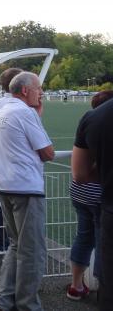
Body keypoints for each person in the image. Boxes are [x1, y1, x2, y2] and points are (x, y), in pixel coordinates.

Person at [0, 71, 54, 311]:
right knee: (33, 251)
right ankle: (28, 305)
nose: (42, 93)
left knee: (16, 246)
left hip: (5, 186)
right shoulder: (23, 112)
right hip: (26, 189)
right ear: (26, 90)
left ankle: (4, 300)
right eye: (39, 88)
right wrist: (36, 116)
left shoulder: (3, 110)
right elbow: (47, 152)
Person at [66, 90, 113, 301]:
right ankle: (102, 286)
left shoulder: (91, 123)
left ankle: (76, 285)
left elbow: (78, 172)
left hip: (79, 193)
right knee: (102, 242)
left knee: (84, 237)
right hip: (98, 197)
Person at [0, 67, 22, 253]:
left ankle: (3, 242)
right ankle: (10, 243)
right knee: (16, 205)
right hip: (15, 161)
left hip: (0, 157)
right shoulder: (19, 106)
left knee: (6, 203)